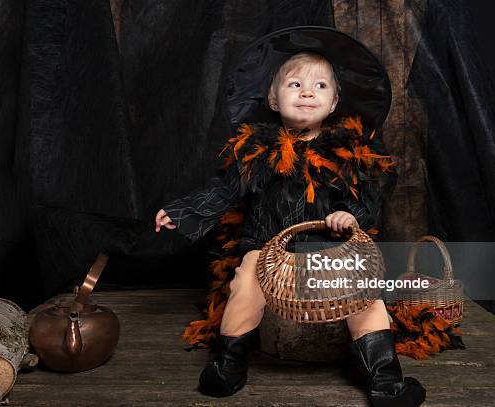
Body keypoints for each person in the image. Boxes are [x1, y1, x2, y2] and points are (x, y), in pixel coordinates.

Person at [154, 27, 426, 407]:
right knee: (245, 281)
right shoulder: (256, 148)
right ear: (273, 99)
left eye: (319, 86)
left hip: (328, 249)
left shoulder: (348, 151)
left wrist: (349, 216)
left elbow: (369, 198)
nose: (307, 92)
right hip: (266, 245)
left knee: (364, 294)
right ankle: (229, 364)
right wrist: (183, 211)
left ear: (333, 104)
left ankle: (385, 380)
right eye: (294, 84)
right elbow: (224, 189)